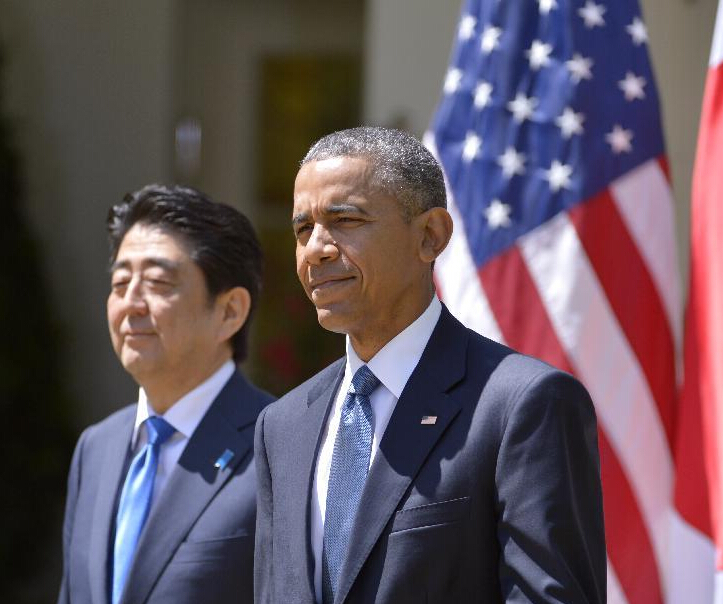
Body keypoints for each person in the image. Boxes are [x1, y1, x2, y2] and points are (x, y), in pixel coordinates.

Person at [254, 127, 606, 603]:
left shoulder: (522, 406)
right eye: (302, 230)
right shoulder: (282, 426)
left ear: (430, 236)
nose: (316, 248)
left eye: (345, 220)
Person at [58, 185, 274, 604]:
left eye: (157, 282)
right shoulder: (95, 448)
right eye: (120, 283)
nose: (131, 304)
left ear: (230, 311)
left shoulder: (277, 446)